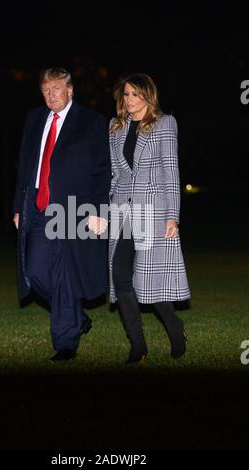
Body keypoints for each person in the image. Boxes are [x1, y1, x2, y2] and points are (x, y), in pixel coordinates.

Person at [13, 67, 110, 361]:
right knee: (34, 272)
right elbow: (25, 164)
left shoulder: (91, 122)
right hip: (38, 208)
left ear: (70, 90)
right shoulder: (34, 119)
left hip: (73, 210)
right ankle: (76, 318)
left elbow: (103, 170)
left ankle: (66, 341)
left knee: (65, 275)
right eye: (45, 89)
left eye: (56, 89)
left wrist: (99, 210)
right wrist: (19, 206)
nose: (50, 95)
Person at [109, 73, 190, 363]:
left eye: (135, 94)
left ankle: (175, 328)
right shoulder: (115, 127)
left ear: (148, 95)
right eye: (126, 94)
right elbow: (116, 175)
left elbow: (171, 172)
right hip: (123, 212)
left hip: (153, 211)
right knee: (120, 276)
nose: (129, 100)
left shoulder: (165, 123)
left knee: (150, 282)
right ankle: (138, 345)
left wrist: (173, 215)